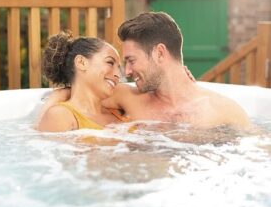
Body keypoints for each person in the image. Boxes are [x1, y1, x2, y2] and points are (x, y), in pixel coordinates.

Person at [39, 12, 250, 129]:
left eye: (130, 60)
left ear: (159, 54)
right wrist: (48, 108)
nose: (126, 72)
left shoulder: (224, 111)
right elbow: (80, 93)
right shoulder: (127, 97)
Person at [35, 31, 128, 132]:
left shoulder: (118, 113)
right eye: (110, 62)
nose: (118, 75)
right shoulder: (61, 115)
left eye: (118, 68)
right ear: (81, 62)